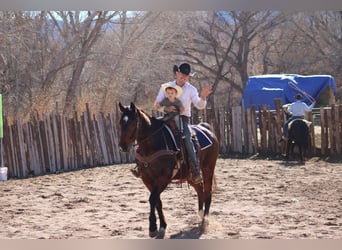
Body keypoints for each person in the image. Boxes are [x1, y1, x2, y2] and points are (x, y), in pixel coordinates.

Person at [154, 63, 212, 184]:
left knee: (187, 138)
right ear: (177, 73)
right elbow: (157, 104)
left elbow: (199, 105)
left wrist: (203, 97)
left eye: (186, 76)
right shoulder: (166, 87)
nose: (183, 78)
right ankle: (142, 164)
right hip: (167, 118)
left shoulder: (191, 89)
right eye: (182, 75)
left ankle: (195, 169)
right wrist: (166, 109)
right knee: (151, 131)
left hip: (183, 119)